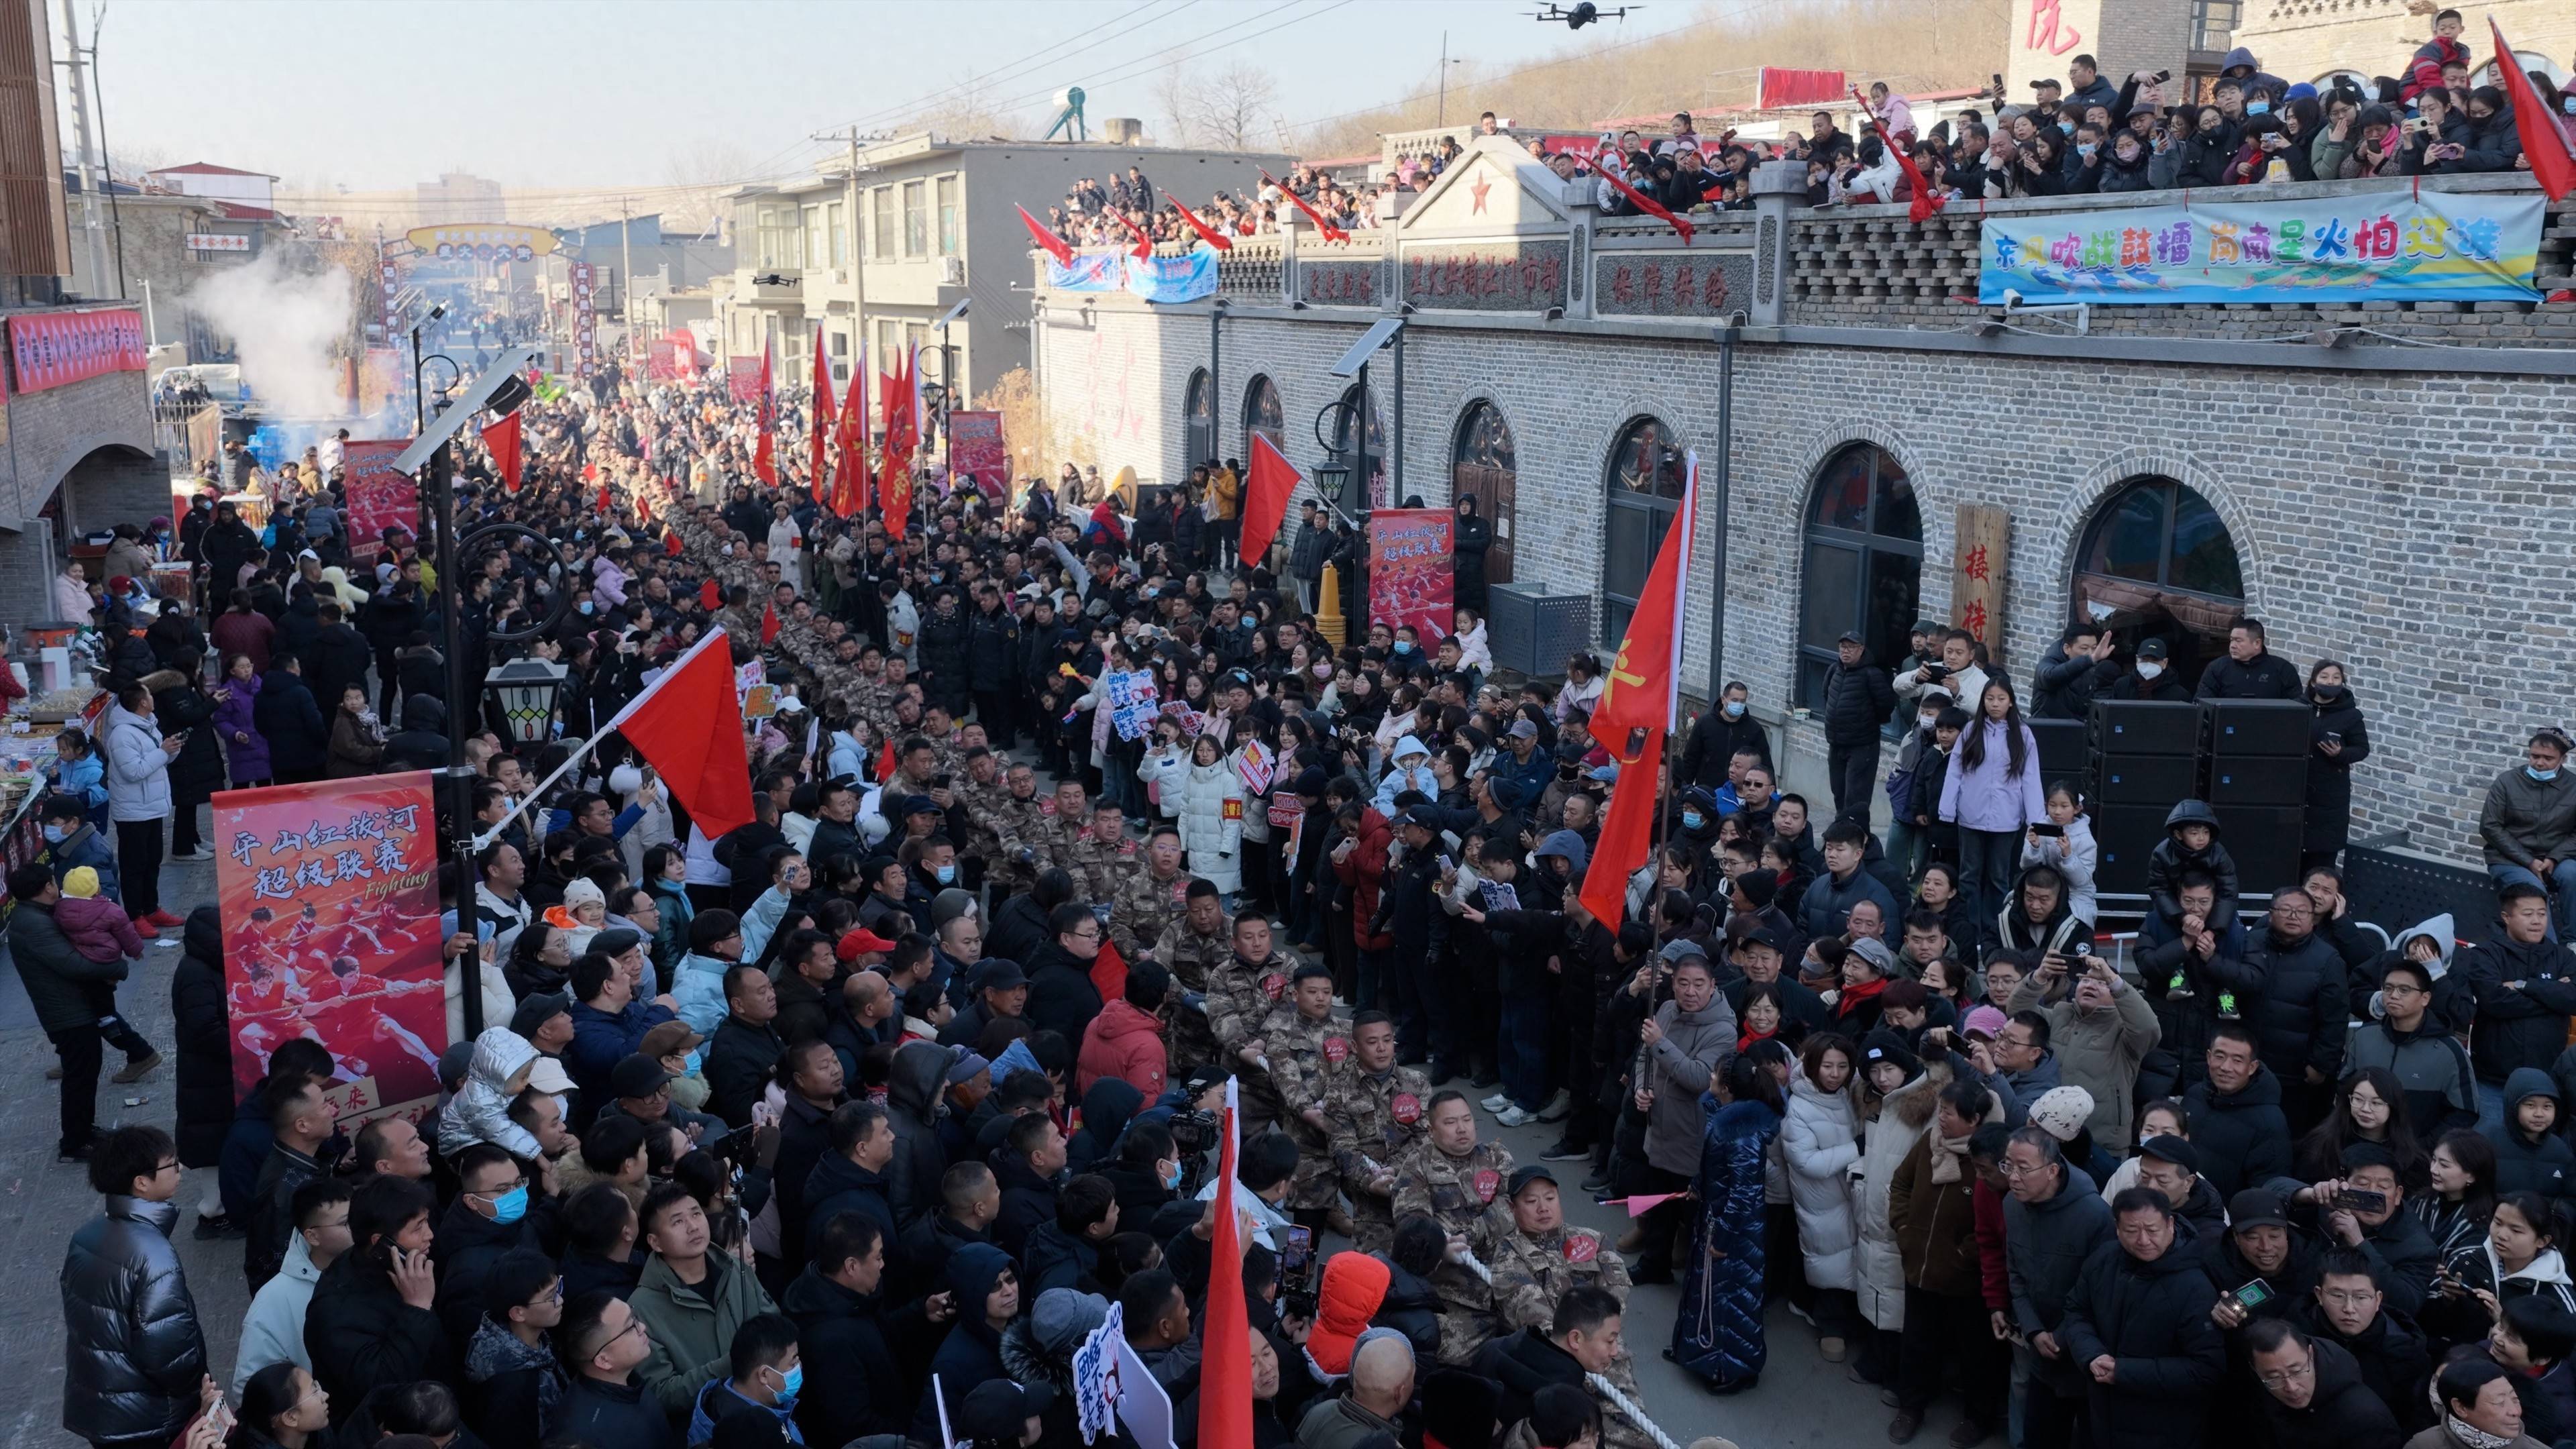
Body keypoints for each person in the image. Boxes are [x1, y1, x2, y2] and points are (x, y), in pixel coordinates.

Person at [61, 1123, 207, 1449]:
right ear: (141, 1182)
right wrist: (198, 1389)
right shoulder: (154, 1255)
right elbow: (168, 1351)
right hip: (147, 1419)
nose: (181, 1169)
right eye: (172, 1165)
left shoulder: (86, 1236)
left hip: (100, 1407)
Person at [2057, 1187, 2227, 1448]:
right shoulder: (2103, 1260)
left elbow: (2205, 1369)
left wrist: (2123, 1372)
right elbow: (2077, 1309)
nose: (2143, 1240)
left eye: (2152, 1230)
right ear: (2117, 1229)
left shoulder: (2195, 1287)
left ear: (2170, 1224)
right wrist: (2091, 1355)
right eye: (2132, 1230)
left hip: (2165, 1428)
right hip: (2103, 1416)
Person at [11, 862, 148, 1160]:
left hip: (72, 1006)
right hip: (68, 1014)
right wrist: (119, 967)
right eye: (54, 882)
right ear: (47, 887)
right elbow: (74, 965)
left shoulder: (34, 916)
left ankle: (85, 1130)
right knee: (80, 1077)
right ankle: (75, 1143)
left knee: (86, 1072)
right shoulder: (34, 925)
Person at [1672, 1053, 1784, 1393]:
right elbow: (1713, 1165)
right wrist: (1698, 1185)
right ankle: (1696, 1351)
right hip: (1715, 1217)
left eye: (1715, 1073)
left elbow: (1744, 1193)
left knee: (1729, 1299)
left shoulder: (1741, 1132)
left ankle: (1732, 1369)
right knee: (1705, 1289)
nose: (1710, 1076)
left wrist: (1722, 1238)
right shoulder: (1724, 1117)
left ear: (1727, 1087)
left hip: (1733, 1230)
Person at [2003, 1125, 2112, 1449]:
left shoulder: (2095, 1215)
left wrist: (2062, 1336)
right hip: (2040, 1349)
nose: (2013, 1177)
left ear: (2052, 1170)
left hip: (2087, 1354)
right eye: (2008, 1165)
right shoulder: (2012, 1204)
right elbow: (2015, 1272)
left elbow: (2098, 1289)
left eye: (2024, 1168)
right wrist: (2034, 1330)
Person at [631, 1181, 780, 1413]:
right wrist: (731, 1364)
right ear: (655, 1242)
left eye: (696, 1214)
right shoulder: (641, 1308)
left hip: (766, 1408)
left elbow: (773, 1324)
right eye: (678, 1222)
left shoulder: (736, 1269)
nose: (693, 1227)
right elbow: (663, 1392)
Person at [1938, 679, 2047, 949]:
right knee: (1969, 876)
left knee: (1998, 878)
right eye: (1990, 699)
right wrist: (1947, 808)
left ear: (2010, 701)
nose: (1995, 704)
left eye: (2001, 699)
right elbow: (1955, 771)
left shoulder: (2023, 734)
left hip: (2006, 819)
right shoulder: (1971, 730)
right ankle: (1969, 933)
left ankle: (1994, 932)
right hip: (1971, 815)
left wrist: (2036, 820)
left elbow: (2031, 778)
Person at [2245, 1318, 2406, 1449]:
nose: (2291, 1387)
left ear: (2310, 1354)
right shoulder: (2261, 1393)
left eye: (2297, 1371)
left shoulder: (2366, 1418)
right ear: (2256, 1371)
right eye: (2275, 1378)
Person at [2481, 729, 2576, 941]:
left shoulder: (2573, 787)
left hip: (2556, 859)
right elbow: (2490, 826)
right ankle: (2546, 953)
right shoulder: (2507, 782)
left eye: (2548, 758)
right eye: (2534, 756)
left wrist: (2554, 857)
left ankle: (2573, 942)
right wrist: (2529, 861)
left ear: (2563, 759)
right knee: (2533, 891)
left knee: (2573, 875)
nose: (2539, 763)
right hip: (2510, 860)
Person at [555, 1291, 679, 1449]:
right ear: (604, 1360)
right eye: (630, 1328)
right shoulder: (586, 1438)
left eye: (634, 1317)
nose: (642, 1327)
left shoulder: (628, 1378)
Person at [103, 682, 181, 928]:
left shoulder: (148, 724)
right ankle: (134, 915)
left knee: (152, 860)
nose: (153, 697)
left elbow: (158, 761)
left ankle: (152, 908)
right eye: (149, 694)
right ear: (143, 702)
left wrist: (171, 750)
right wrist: (162, 752)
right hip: (133, 811)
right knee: (134, 865)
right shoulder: (122, 734)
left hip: (152, 806)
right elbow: (134, 772)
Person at [1819, 631, 1896, 818]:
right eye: (1843, 647)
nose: (1846, 651)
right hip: (1836, 742)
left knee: (1856, 796)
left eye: (1851, 647)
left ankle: (1856, 829)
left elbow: (1886, 705)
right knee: (1838, 791)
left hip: (1862, 745)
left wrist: (1865, 723)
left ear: (1861, 650)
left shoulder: (1872, 675)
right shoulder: (1834, 670)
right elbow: (1827, 695)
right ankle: (1840, 826)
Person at [2412, 1358, 2550, 1449]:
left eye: (2515, 1399)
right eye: (2500, 1402)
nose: (2515, 1411)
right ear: (2461, 1408)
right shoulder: (2423, 1445)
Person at [2198, 617, 2302, 700]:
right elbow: (2202, 705)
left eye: (2238, 641)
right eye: (2231, 640)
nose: (2233, 645)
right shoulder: (2217, 668)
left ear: (2257, 643)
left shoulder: (2283, 670)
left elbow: (2296, 709)